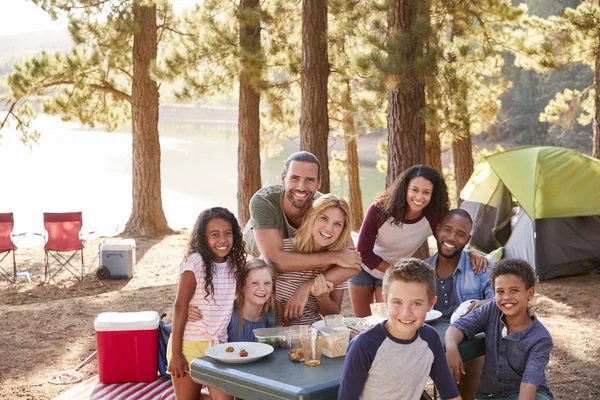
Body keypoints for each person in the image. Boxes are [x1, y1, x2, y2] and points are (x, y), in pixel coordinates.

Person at [351, 165, 487, 318]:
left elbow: (448, 241)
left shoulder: (432, 217)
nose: (419, 197)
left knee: (385, 321)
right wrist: (398, 271)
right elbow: (363, 252)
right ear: (405, 189)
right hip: (363, 268)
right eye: (415, 190)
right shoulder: (379, 211)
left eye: (426, 192)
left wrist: (470, 254)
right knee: (362, 323)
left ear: (433, 195)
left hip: (394, 275)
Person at [243, 151, 360, 321]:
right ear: (283, 179)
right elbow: (275, 260)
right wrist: (335, 257)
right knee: (264, 272)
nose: (301, 187)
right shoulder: (264, 201)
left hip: (302, 244)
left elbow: (352, 261)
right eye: (295, 178)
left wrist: (307, 286)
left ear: (319, 183)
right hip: (261, 241)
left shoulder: (323, 208)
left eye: (310, 180)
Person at [338, 258, 461, 400]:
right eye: (397, 302)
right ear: (385, 301)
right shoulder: (364, 346)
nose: (405, 313)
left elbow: (450, 393)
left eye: (416, 303)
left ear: (430, 304)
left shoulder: (430, 338)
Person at [445, 259, 553, 400]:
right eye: (500, 291)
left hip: (530, 395)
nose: (506, 297)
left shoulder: (540, 338)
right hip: (491, 396)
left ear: (530, 293)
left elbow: (529, 385)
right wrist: (451, 348)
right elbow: (457, 327)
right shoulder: (491, 310)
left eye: (514, 290)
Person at [167, 207, 245, 400]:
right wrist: (176, 354)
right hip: (188, 344)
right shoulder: (196, 262)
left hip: (218, 346)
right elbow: (180, 305)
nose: (222, 240)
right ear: (203, 237)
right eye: (214, 234)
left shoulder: (235, 265)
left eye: (228, 233)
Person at [425, 209, 494, 400]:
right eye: (447, 229)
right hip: (429, 342)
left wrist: (482, 304)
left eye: (460, 234)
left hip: (468, 342)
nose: (452, 237)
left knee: (470, 362)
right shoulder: (423, 271)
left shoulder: (481, 268)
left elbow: (499, 301)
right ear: (438, 230)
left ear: (468, 239)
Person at [276, 194, 352, 325]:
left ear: (343, 230)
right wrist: (276, 305)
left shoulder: (338, 265)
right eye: (324, 218)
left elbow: (333, 315)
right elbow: (253, 282)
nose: (329, 228)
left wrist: (322, 297)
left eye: (337, 224)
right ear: (312, 217)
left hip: (310, 332)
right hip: (272, 330)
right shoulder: (283, 249)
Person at [227, 259, 277, 342]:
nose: (262, 289)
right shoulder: (229, 314)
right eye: (255, 283)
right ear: (242, 286)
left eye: (267, 283)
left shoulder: (270, 314)